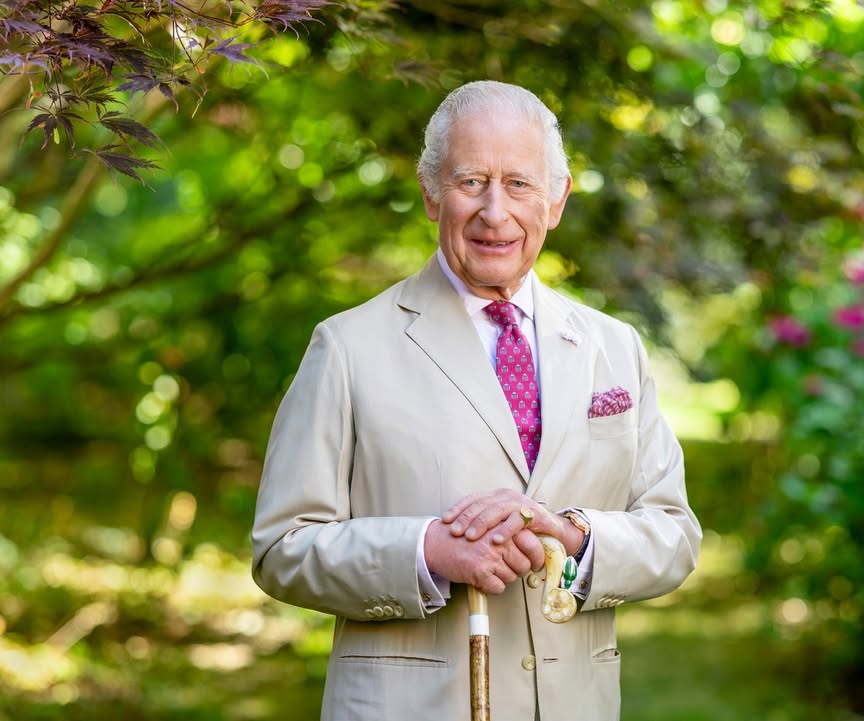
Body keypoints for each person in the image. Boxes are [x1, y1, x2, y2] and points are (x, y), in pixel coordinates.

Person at [250, 80, 701, 721]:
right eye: (471, 182)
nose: (495, 211)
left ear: (556, 200)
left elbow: (674, 534)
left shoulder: (615, 346)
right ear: (431, 193)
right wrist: (426, 551)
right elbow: (282, 549)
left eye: (519, 184)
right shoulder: (346, 347)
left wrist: (571, 535)